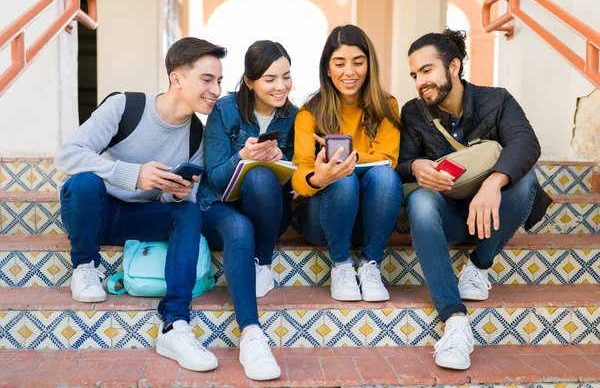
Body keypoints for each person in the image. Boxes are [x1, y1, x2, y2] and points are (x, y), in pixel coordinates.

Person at [54, 37, 226, 372]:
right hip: (96, 211)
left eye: (219, 81)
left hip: (139, 218)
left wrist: (174, 192)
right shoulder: (125, 106)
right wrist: (133, 175)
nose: (216, 90)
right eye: (207, 79)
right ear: (177, 78)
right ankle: (85, 267)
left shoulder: (196, 134)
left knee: (188, 211)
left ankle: (175, 323)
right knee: (84, 182)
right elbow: (67, 154)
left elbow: (185, 195)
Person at [396, 28, 552, 370]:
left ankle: (479, 267)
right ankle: (454, 320)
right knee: (421, 201)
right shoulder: (413, 113)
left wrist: (493, 183)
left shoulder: (497, 100)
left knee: (525, 180)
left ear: (453, 66)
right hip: (446, 220)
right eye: (414, 74)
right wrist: (417, 165)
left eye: (426, 71)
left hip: (494, 217)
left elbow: (526, 143)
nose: (419, 81)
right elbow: (402, 166)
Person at [198, 40, 297, 381]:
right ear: (251, 81)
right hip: (221, 206)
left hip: (269, 208)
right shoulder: (225, 111)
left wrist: (282, 161)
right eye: (270, 79)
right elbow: (213, 176)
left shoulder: (295, 117)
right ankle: (251, 335)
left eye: (286, 77)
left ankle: (263, 260)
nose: (280, 86)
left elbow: (299, 176)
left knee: (261, 179)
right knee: (239, 226)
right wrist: (243, 157)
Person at [292, 25, 402, 303]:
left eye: (358, 62)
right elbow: (299, 173)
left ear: (369, 65)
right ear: (327, 69)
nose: (349, 72)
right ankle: (341, 265)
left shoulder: (387, 106)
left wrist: (340, 157)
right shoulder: (309, 113)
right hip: (323, 220)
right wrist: (320, 176)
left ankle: (370, 264)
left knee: (385, 177)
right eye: (339, 63)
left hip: (370, 218)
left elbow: (388, 159)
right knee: (341, 177)